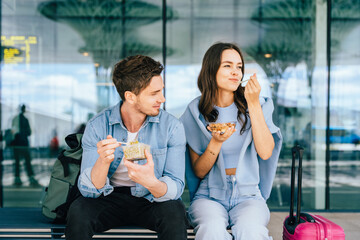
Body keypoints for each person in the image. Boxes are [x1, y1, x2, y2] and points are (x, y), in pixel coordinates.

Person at [66, 55, 188, 240]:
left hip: (151, 198)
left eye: (161, 91)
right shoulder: (98, 125)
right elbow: (88, 191)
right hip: (109, 198)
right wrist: (102, 162)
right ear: (130, 97)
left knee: (175, 212)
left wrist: (150, 182)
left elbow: (176, 185)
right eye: (154, 93)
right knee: (79, 210)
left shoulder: (172, 127)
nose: (162, 98)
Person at [180, 42, 283, 240]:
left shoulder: (259, 105)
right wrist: (216, 142)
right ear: (211, 70)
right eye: (227, 65)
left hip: (249, 195)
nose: (236, 72)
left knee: (252, 231)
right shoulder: (195, 112)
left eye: (239, 66)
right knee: (211, 231)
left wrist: (252, 104)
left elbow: (266, 152)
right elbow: (199, 171)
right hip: (209, 196)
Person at [11, 104, 39, 186]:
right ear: (24, 110)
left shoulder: (15, 119)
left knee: (17, 162)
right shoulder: (26, 120)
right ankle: (30, 177)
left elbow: (13, 131)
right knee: (27, 162)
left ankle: (17, 178)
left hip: (16, 144)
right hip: (24, 144)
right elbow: (29, 132)